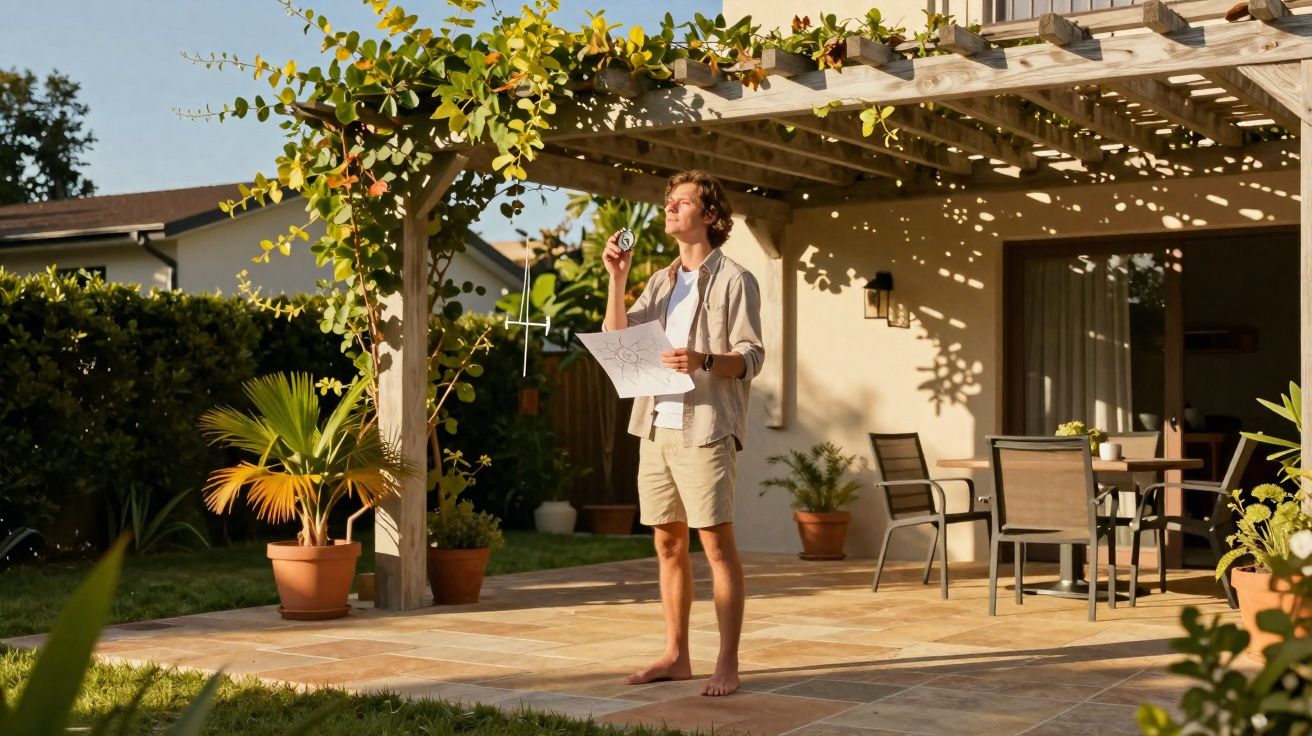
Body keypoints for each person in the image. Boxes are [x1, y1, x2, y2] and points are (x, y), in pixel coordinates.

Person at [602, 170, 764, 697]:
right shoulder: (661, 280)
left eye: (681, 203)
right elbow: (618, 336)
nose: (669, 209)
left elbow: (752, 357)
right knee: (668, 546)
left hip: (707, 427)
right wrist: (618, 279)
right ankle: (675, 655)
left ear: (710, 216)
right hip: (655, 426)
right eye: (668, 202)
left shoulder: (736, 279)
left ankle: (728, 663)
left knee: (716, 547)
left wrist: (704, 359)